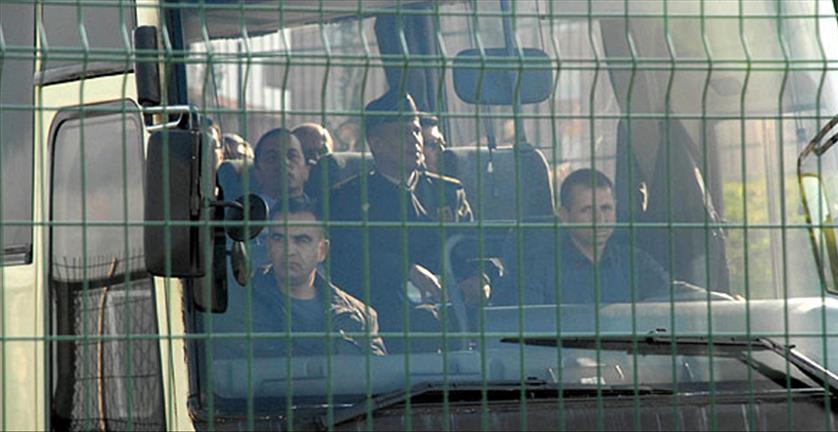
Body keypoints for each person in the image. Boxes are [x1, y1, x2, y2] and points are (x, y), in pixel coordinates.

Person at [327, 91, 487, 352]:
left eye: (416, 131)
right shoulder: (348, 199)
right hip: (390, 319)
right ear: (376, 143)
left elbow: (473, 248)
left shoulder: (448, 193)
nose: (415, 140)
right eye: (402, 133)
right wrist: (407, 270)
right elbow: (348, 260)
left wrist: (481, 277)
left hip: (455, 312)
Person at [216, 197, 386, 357]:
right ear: (268, 246)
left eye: (302, 240)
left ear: (322, 250)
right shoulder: (234, 305)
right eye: (278, 238)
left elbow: (377, 373)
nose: (289, 250)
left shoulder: (359, 317)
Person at [498, 168, 669, 305]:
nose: (599, 219)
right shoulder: (536, 271)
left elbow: (670, 304)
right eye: (587, 210)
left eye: (606, 208)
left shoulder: (637, 263)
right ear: (564, 216)